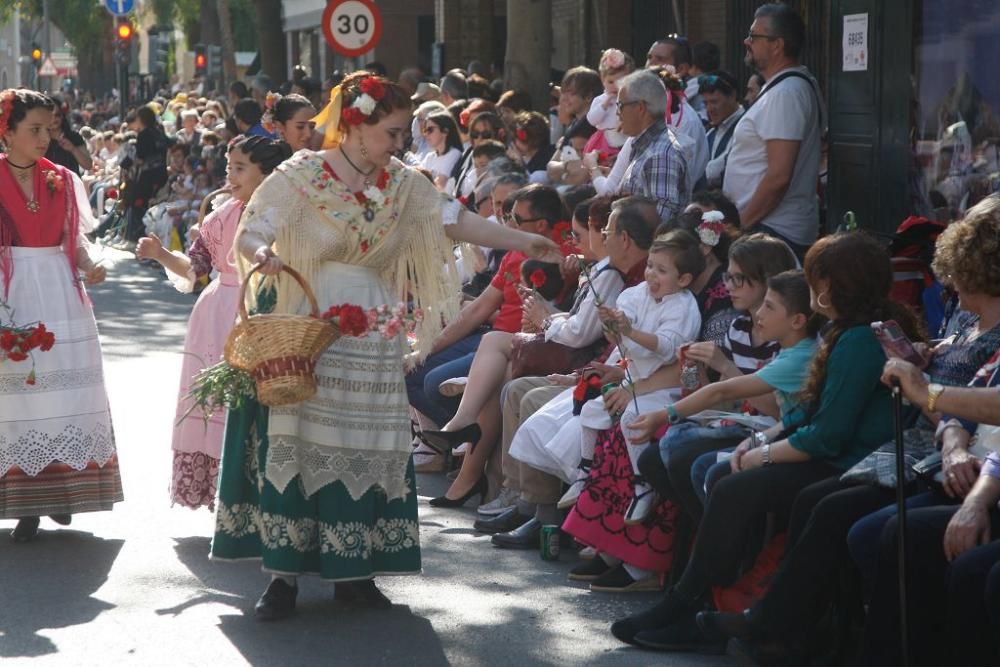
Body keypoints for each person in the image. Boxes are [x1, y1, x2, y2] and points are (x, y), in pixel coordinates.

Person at [210, 72, 560, 620]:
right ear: (355, 123)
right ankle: (282, 577)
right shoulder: (300, 173)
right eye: (392, 132)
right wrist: (261, 255)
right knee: (298, 442)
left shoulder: (404, 183)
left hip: (374, 331)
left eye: (401, 134)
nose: (399, 144)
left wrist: (525, 240)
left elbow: (456, 220)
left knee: (365, 446)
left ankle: (356, 570)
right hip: (308, 326)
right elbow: (255, 227)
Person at [610, 232, 920, 652]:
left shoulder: (858, 340)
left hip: (849, 461)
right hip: (833, 452)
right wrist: (766, 438)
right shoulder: (844, 333)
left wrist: (763, 454)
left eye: (816, 280)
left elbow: (827, 435)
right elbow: (809, 412)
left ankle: (693, 606)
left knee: (736, 485)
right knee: (726, 479)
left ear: (832, 287)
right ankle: (696, 602)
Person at [136, 136, 291, 510]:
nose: (230, 175)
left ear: (267, 175)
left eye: (240, 168)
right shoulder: (220, 215)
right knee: (218, 399)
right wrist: (161, 255)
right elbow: (194, 269)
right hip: (217, 311)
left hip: (267, 309)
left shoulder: (289, 215)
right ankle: (224, 492)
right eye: (228, 167)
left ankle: (262, 489)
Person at [0, 89, 118, 542]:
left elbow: (76, 239)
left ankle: (62, 490)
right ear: (7, 133)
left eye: (48, 128)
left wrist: (89, 265)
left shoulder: (63, 179)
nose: (45, 137)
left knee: (64, 392)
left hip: (60, 290)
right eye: (34, 129)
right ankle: (28, 502)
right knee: (19, 395)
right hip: (12, 289)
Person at [558, 230, 703, 523]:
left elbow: (667, 346)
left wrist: (629, 331)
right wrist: (612, 324)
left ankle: (643, 484)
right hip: (634, 378)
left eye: (662, 270)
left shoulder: (684, 307)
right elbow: (621, 334)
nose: (651, 274)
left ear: (684, 279)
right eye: (650, 265)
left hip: (665, 387)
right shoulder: (638, 294)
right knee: (590, 410)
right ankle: (584, 470)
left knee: (630, 417)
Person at [723, 3, 823, 258]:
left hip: (772, 232)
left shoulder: (786, 94)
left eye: (754, 36)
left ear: (777, 45)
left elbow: (779, 177)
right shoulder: (784, 88)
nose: (746, 41)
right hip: (767, 229)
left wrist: (741, 226)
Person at [615, 70, 690, 221]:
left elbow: (659, 225)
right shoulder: (648, 147)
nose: (617, 113)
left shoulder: (661, 155)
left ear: (640, 108)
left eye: (620, 105)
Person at [124, 105, 169, 242]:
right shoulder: (159, 132)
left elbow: (140, 157)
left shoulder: (144, 135)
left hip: (147, 176)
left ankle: (135, 236)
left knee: (137, 202)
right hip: (161, 173)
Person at [698, 72, 744, 188]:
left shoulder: (745, 127)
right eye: (705, 103)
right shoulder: (710, 133)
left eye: (714, 102)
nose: (709, 109)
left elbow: (713, 173)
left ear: (733, 96)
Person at [45, 100, 93, 175]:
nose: (54, 118)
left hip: (72, 183)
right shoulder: (39, 139)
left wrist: (73, 149)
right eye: (50, 115)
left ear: (62, 116)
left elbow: (88, 165)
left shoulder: (74, 137)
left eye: (57, 115)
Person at [419, 111, 463, 190]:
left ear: (445, 131)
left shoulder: (454, 153)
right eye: (425, 130)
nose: (426, 134)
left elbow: (440, 184)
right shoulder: (429, 157)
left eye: (430, 130)